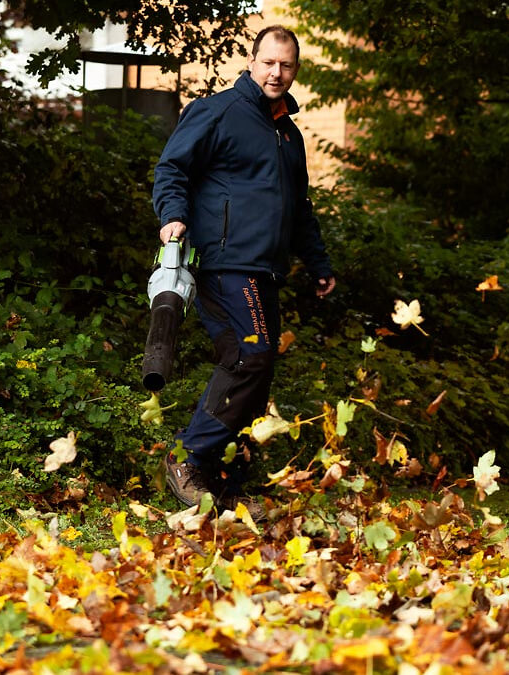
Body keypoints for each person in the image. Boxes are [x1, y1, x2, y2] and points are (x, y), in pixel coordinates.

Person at [152, 25, 336, 516]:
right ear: (251, 61)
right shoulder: (218, 112)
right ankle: (186, 455)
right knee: (251, 356)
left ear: (296, 70)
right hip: (223, 261)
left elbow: (299, 207)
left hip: (265, 269)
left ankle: (221, 482)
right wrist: (173, 215)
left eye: (287, 65)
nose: (277, 73)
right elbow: (172, 168)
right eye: (269, 62)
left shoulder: (287, 134)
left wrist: (317, 263)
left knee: (253, 366)